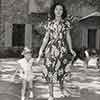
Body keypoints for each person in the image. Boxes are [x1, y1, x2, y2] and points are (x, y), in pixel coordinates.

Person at [37, 2, 76, 100]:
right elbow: (46, 38)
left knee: (61, 71)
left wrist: (71, 49)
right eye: (56, 9)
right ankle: (51, 95)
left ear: (63, 12)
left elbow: (68, 36)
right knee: (50, 71)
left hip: (62, 49)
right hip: (50, 50)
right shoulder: (50, 23)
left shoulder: (66, 23)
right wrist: (41, 50)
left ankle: (62, 90)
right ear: (53, 11)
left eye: (61, 9)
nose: (58, 11)